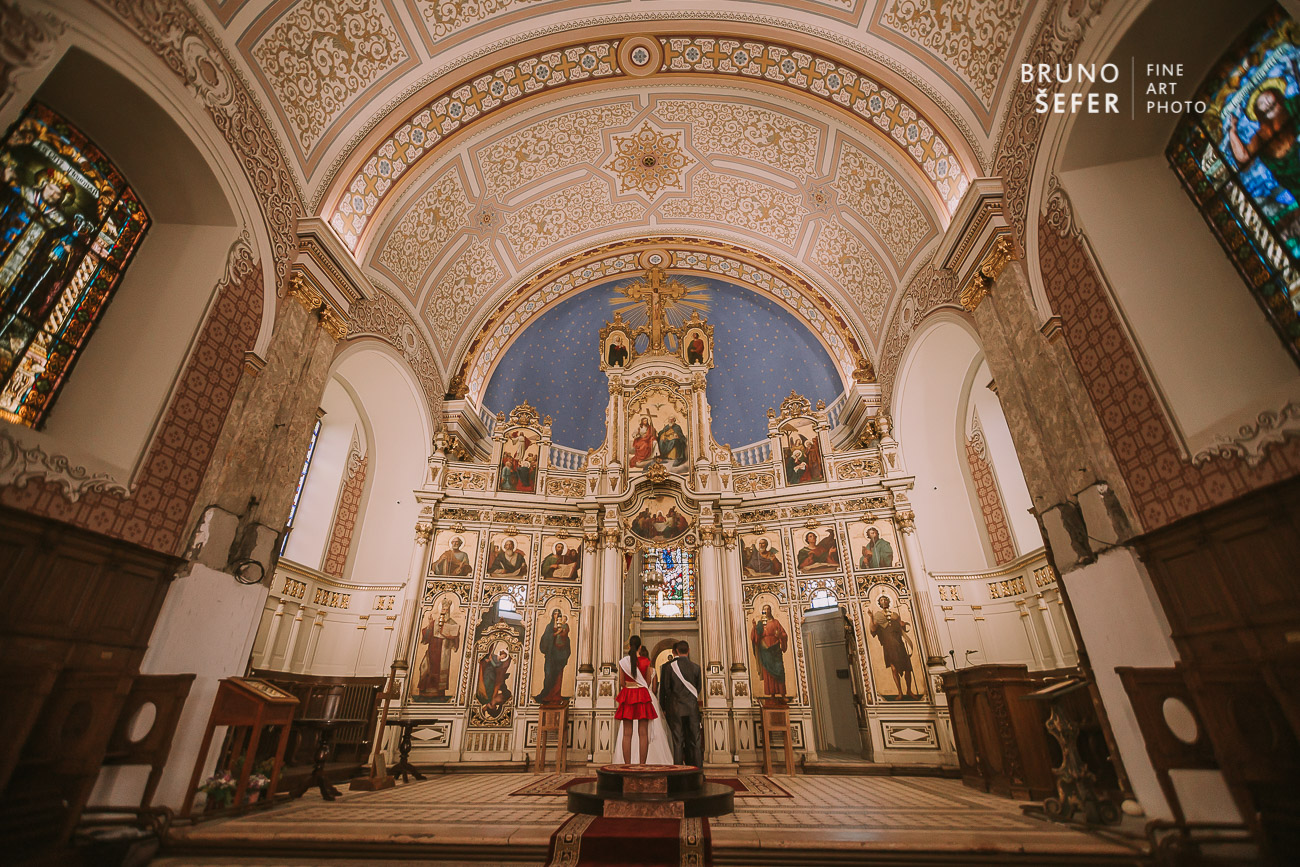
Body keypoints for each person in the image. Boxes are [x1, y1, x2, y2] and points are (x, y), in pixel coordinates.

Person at [612, 634, 673, 765]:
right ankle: (642, 764)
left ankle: (627, 765)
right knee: (643, 733)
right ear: (640, 647)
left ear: (629, 646)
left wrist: (630, 686)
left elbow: (621, 682)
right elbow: (648, 682)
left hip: (628, 695)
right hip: (642, 695)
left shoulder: (623, 662)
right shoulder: (646, 662)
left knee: (627, 733)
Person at [658, 640, 702, 766]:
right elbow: (698, 688)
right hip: (692, 708)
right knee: (695, 741)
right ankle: (696, 770)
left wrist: (664, 707)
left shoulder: (668, 667)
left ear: (676, 651)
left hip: (675, 708)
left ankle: (678, 770)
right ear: (688, 651)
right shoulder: (696, 668)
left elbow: (666, 689)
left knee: (678, 741)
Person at [869, 595, 917, 699]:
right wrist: (871, 617)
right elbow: (873, 629)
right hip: (888, 646)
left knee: (907, 668)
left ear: (888, 601)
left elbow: (901, 625)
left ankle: (909, 690)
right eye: (881, 600)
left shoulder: (895, 615)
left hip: (899, 644)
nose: (884, 601)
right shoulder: (878, 616)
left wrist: (902, 625)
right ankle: (900, 692)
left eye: (885, 599)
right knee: (894, 669)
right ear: (879, 603)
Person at [416, 598, 460, 697]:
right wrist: (429, 625)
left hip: (444, 650)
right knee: (424, 667)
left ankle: (439, 693)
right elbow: (426, 635)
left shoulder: (453, 623)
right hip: (433, 648)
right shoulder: (435, 622)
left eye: (446, 610)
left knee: (441, 670)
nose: (444, 612)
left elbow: (455, 638)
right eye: (443, 609)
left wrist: (453, 636)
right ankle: (424, 692)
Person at [534, 609, 571, 704]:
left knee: (558, 675)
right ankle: (547, 694)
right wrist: (555, 634)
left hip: (559, 655)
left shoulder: (564, 626)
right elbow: (545, 638)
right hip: (550, 655)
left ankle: (556, 695)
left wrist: (561, 636)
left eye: (558, 614)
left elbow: (566, 638)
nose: (556, 616)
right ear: (552, 615)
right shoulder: (549, 626)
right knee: (549, 674)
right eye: (555, 614)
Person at [750, 605, 788, 697]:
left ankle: (782, 694)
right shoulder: (760, 624)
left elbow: (784, 634)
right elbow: (756, 637)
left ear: (771, 611)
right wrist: (755, 627)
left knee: (779, 670)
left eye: (768, 609)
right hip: (765, 650)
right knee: (768, 672)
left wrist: (779, 635)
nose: (766, 611)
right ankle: (772, 694)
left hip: (775, 649)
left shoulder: (776, 622)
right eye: (765, 609)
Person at [475, 645, 513, 718]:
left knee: (489, 678)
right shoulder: (498, 694)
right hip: (491, 673)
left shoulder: (485, 697)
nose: (500, 698)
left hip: (489, 674)